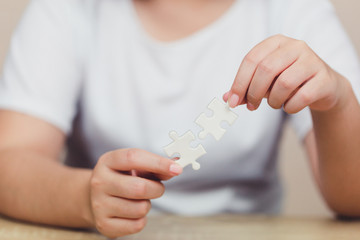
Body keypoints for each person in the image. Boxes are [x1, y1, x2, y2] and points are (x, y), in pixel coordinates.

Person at [0, 0, 360, 238]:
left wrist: (338, 101)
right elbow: (9, 163)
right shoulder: (68, 9)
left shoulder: (292, 9)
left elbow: (353, 200)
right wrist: (82, 197)